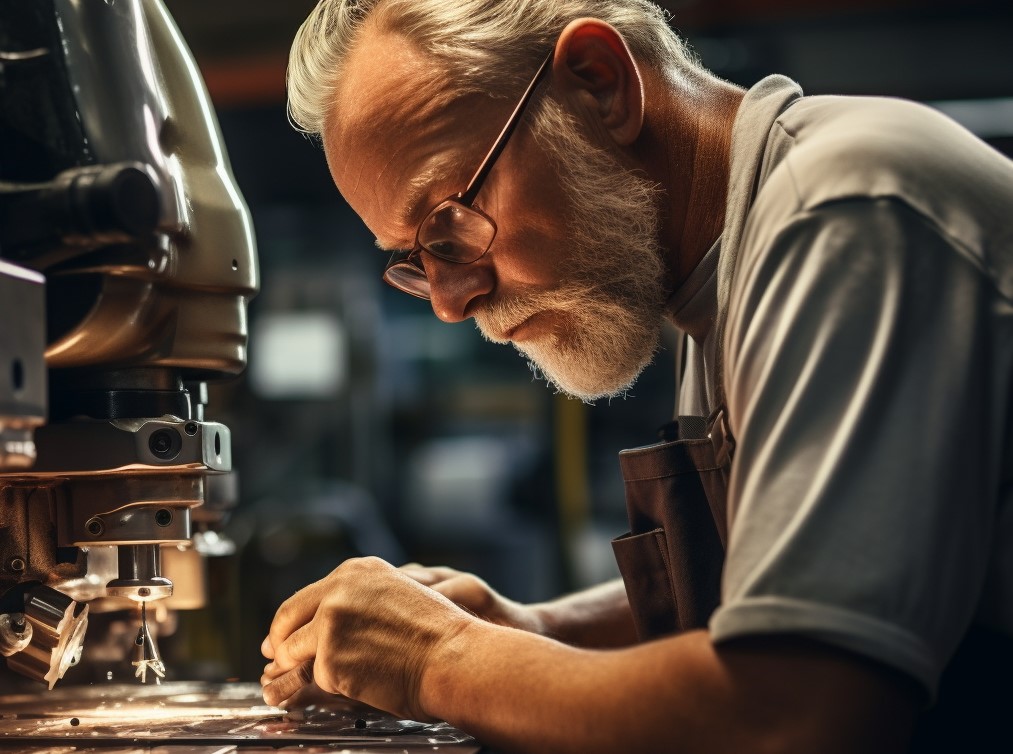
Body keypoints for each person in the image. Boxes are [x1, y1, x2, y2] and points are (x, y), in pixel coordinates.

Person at [259, 1, 1013, 751]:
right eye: (416, 261)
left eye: (449, 224)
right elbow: (793, 574)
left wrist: (441, 657)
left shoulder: (844, 210)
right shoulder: (713, 275)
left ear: (599, 82)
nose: (452, 304)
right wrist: (534, 628)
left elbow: (794, 711)